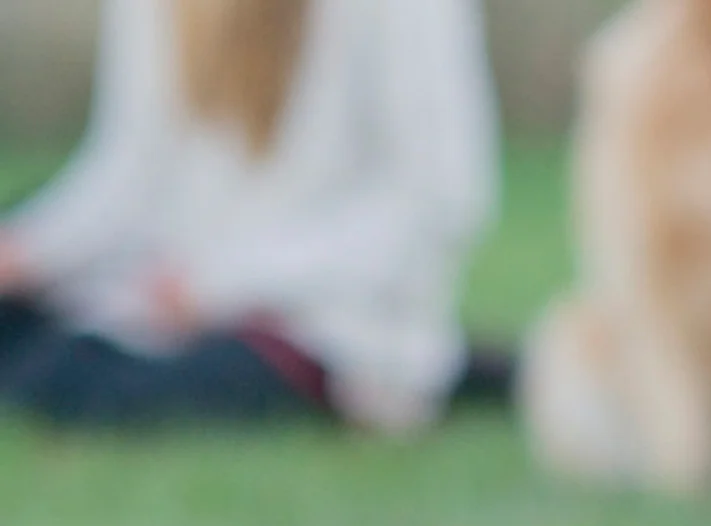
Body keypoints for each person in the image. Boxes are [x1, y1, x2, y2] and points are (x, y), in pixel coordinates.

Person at [0, 0, 499, 431]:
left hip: (320, 315)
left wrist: (219, 283)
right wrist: (33, 248)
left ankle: (446, 372)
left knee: (72, 383)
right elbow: (131, 168)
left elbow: (436, 202)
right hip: (164, 287)